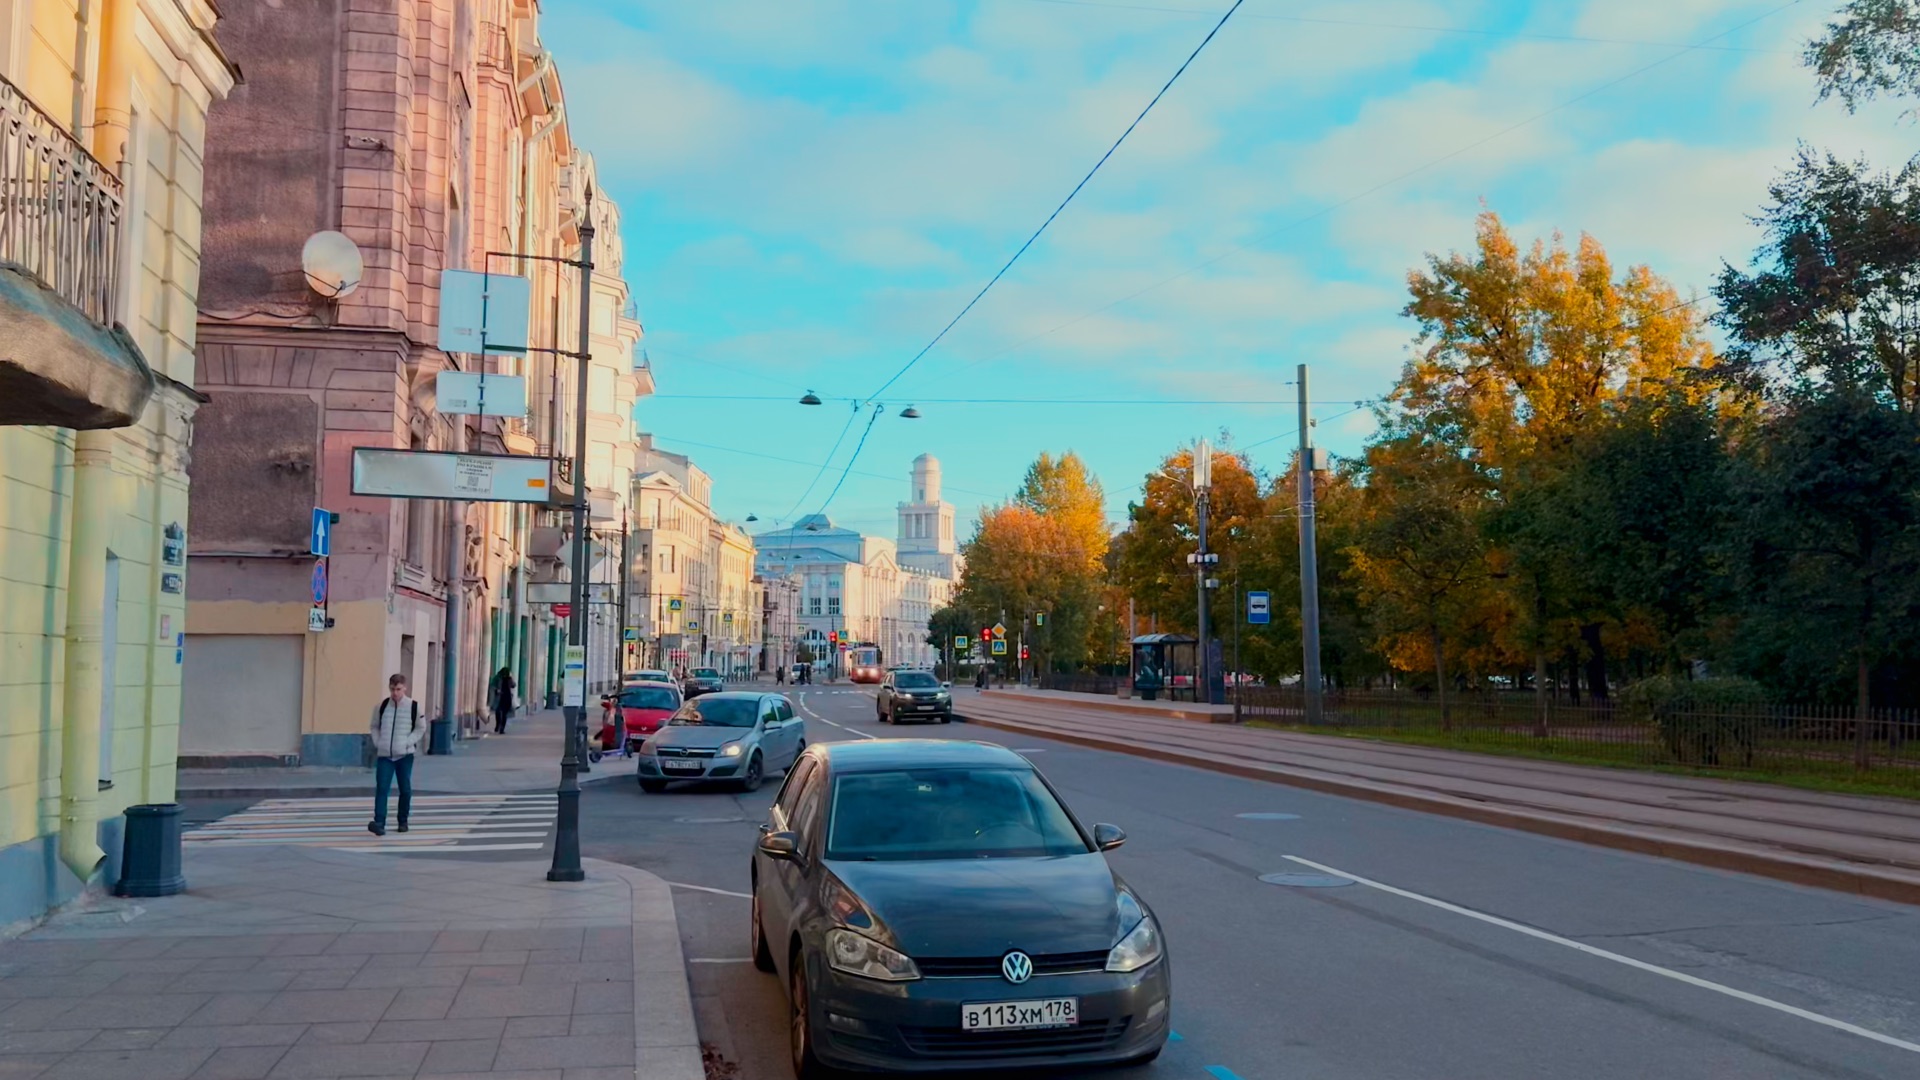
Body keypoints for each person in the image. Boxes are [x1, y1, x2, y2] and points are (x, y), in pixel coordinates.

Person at [369, 673, 423, 836]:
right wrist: (379, 742)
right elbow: (374, 726)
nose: (395, 693)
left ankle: (403, 821)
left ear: (404, 688)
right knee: (382, 788)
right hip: (385, 754)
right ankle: (379, 822)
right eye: (392, 689)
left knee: (405, 789)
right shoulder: (382, 706)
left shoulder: (413, 706)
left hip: (405, 755)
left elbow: (421, 728)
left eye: (398, 689)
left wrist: (408, 742)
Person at [490, 666, 515, 734]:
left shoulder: (509, 678)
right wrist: (497, 690)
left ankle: (501, 728)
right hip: (500, 697)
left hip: (507, 697)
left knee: (504, 713)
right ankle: (498, 725)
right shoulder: (498, 677)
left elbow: (513, 685)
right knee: (498, 712)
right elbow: (492, 685)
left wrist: (511, 678)